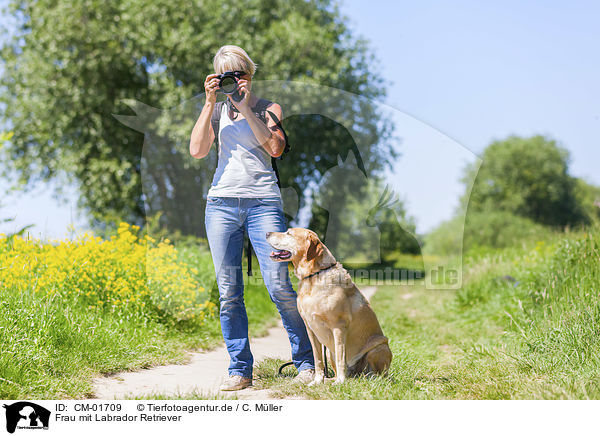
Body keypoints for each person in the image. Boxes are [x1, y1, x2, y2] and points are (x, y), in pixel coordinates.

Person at [189, 45, 315, 391]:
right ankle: (239, 369)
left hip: (264, 204)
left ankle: (306, 361)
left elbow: (275, 148)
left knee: (278, 286)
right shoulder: (214, 112)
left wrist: (245, 109)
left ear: (250, 75)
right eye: (227, 75)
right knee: (229, 291)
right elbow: (197, 150)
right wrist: (209, 103)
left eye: (240, 74)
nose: (235, 80)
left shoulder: (267, 108)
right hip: (221, 205)